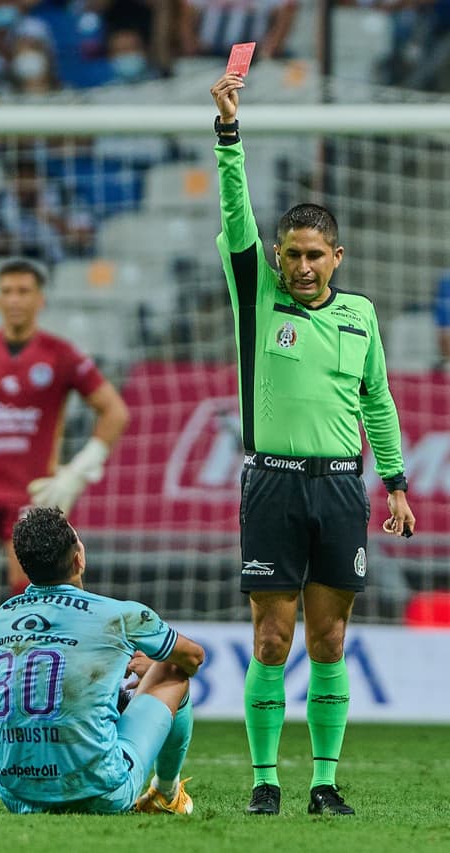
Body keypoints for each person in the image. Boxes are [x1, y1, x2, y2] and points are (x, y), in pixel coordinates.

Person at [210, 73, 415, 817]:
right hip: (271, 482)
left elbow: (378, 400)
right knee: (272, 636)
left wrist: (393, 480)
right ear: (277, 257)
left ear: (338, 256)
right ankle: (266, 779)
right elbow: (236, 217)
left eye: (314, 255)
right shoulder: (257, 298)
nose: (300, 266)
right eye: (290, 253)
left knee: (329, 637)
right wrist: (229, 138)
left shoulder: (361, 316)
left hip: (339, 485)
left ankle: (323, 782)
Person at [0, 259, 129, 623]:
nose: (15, 299)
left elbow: (114, 412)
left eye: (24, 291)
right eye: (7, 291)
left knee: (32, 599)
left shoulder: (61, 354)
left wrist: (75, 474)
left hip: (33, 498)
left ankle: (24, 673)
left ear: (41, 300)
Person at [0, 506, 205, 814]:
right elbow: (194, 657)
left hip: (17, 796)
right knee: (173, 668)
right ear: (79, 559)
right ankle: (166, 793)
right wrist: (154, 665)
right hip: (101, 793)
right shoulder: (120, 615)